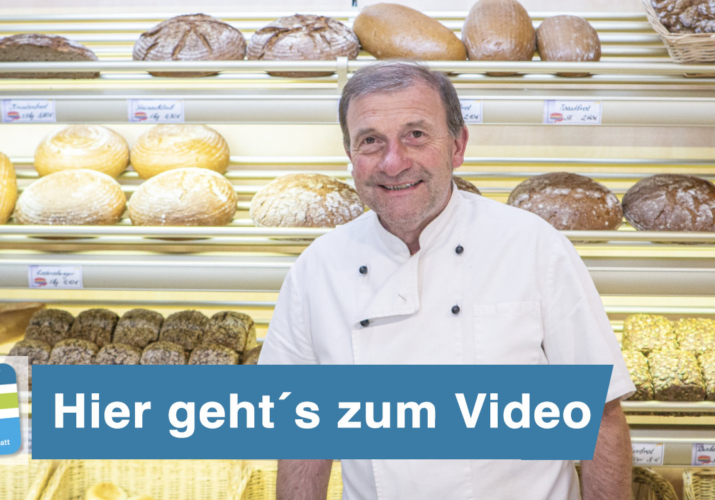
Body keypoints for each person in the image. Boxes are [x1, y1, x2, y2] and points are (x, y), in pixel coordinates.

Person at [258, 61, 634, 500]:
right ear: (350, 155)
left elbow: (600, 416)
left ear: (457, 146)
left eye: (416, 135)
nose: (393, 163)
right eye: (370, 141)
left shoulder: (533, 247)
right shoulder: (317, 269)